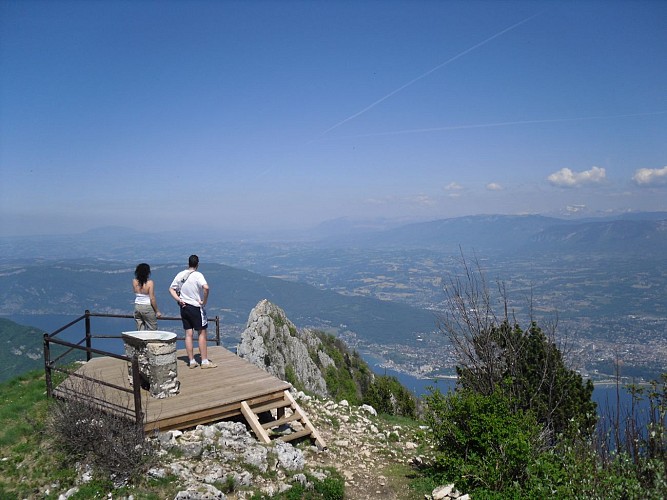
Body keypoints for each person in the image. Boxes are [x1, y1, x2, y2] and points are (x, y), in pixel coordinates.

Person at [169, 255, 217, 369]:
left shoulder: (180, 274)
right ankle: (204, 361)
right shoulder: (198, 275)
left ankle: (191, 361)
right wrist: (204, 301)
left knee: (188, 334)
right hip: (195, 307)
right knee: (201, 333)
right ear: (197, 264)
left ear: (188, 263)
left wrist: (179, 300)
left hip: (184, 307)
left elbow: (171, 288)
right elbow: (206, 287)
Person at [133, 263, 162, 330]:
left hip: (137, 306)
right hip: (147, 306)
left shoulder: (134, 281)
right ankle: (151, 340)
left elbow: (135, 291)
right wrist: (157, 311)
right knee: (152, 328)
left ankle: (140, 340)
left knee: (140, 328)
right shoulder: (150, 283)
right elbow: (152, 298)